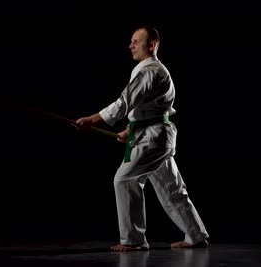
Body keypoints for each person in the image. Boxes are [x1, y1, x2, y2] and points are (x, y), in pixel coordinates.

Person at [74, 26, 209, 251]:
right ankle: (195, 235)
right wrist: (130, 130)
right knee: (171, 187)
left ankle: (134, 240)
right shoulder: (154, 70)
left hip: (153, 138)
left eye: (136, 41)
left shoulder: (149, 70)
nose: (131, 45)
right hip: (156, 134)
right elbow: (149, 108)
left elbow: (124, 102)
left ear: (152, 44)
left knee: (125, 180)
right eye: (131, 41)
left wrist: (92, 119)